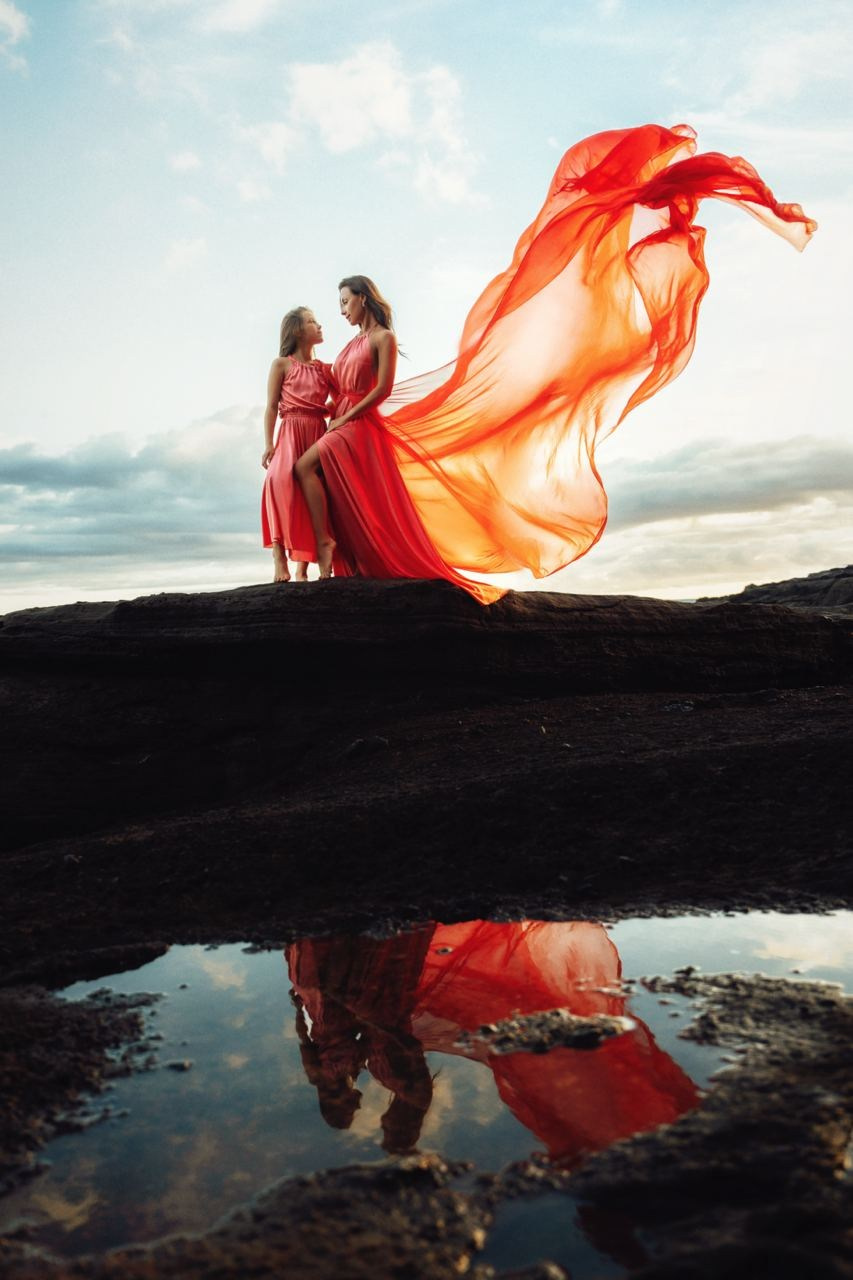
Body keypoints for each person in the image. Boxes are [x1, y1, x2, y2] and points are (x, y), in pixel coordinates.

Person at [299, 126, 816, 603]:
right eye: (339, 303)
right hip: (348, 424)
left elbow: (382, 391)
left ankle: (325, 545)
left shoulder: (382, 337)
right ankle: (327, 555)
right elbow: (317, 387)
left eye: (346, 300)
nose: (341, 309)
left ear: (364, 298)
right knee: (326, 482)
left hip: (359, 427)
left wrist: (344, 418)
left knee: (311, 467)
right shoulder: (344, 348)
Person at [261, 307, 334, 582]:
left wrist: (329, 413)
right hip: (290, 430)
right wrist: (269, 443)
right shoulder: (282, 364)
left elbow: (339, 400)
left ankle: (305, 565)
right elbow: (270, 406)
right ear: (297, 330)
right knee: (277, 481)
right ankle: (279, 556)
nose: (319, 325)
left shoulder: (325, 370)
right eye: (312, 321)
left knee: (316, 491)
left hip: (317, 432)